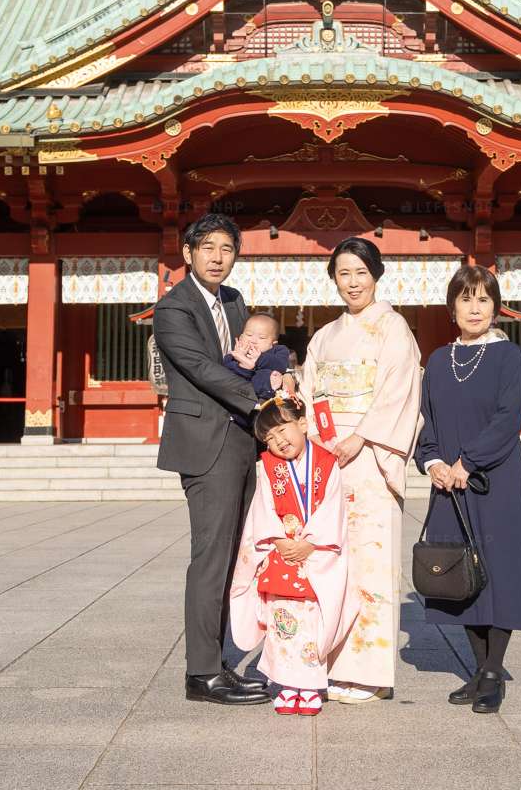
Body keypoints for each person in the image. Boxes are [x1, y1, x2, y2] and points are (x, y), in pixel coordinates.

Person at [152, 213, 270, 706]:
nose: (218, 257)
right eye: (208, 247)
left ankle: (218, 661)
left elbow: (254, 356)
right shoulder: (173, 308)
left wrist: (277, 379)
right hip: (206, 443)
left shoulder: (235, 301)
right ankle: (201, 674)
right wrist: (258, 400)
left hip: (242, 440)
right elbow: (200, 368)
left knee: (233, 559)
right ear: (188, 253)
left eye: (227, 248)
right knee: (210, 559)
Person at [298, 237, 422, 703]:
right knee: (332, 561)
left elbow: (398, 391)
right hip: (329, 454)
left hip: (370, 455)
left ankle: (370, 671)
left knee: (372, 560)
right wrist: (317, 437)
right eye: (343, 274)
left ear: (376, 275)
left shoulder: (393, 328)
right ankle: (329, 662)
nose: (352, 283)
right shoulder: (324, 336)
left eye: (360, 273)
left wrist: (360, 437)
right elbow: (311, 392)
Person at [416, 264, 521, 714]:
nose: (475, 308)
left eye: (483, 299)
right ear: (452, 307)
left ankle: (492, 672)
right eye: (466, 299)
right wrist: (433, 462)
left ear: (496, 308)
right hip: (448, 482)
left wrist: (469, 461)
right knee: (457, 571)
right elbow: (426, 420)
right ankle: (479, 669)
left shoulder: (509, 357)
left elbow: (508, 419)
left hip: (494, 478)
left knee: (498, 568)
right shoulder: (438, 361)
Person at [229, 395, 358, 716]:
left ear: (302, 424)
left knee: (312, 622)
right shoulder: (268, 467)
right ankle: (286, 685)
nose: (278, 441)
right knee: (282, 623)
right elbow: (262, 507)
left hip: (316, 556)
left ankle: (310, 686)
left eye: (282, 430)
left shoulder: (327, 463)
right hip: (281, 554)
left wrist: (310, 544)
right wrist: (277, 539)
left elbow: (333, 508)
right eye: (269, 438)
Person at [223, 313, 295, 406]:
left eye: (262, 337)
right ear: (241, 337)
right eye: (249, 335)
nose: (253, 340)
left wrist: (260, 358)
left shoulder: (278, 350)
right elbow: (227, 374)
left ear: (273, 344)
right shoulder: (236, 353)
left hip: (271, 399)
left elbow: (281, 365)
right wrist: (240, 358)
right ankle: (245, 366)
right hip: (245, 397)